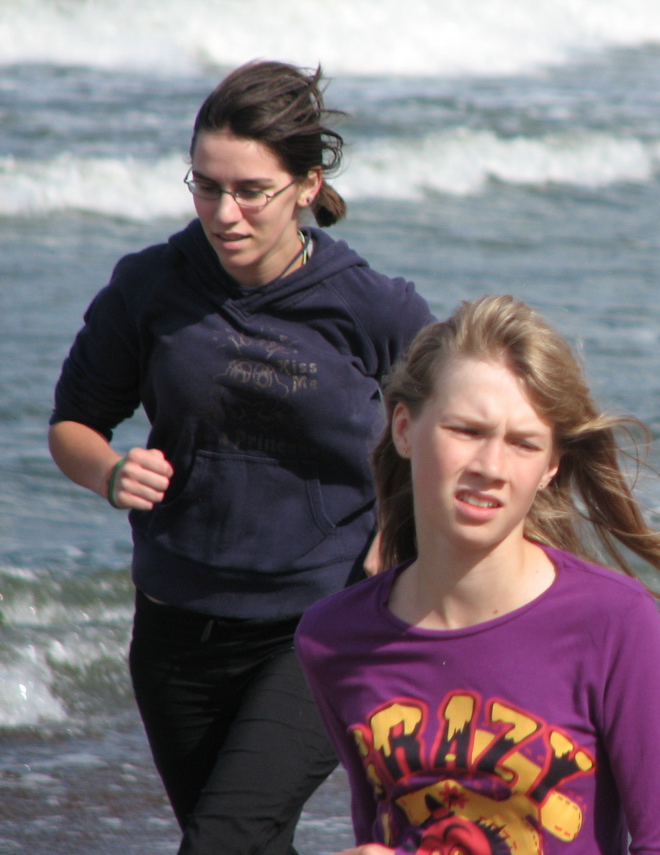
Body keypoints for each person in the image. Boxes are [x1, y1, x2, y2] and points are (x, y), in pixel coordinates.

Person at [47, 60, 435, 855]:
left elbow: (446, 433)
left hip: (321, 622)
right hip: (174, 623)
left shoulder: (375, 307)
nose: (225, 214)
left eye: (251, 190)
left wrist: (401, 532)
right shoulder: (151, 285)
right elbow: (73, 425)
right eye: (207, 186)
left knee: (221, 841)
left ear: (306, 185)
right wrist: (111, 472)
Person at [295, 294, 660, 855]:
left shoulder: (610, 619)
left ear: (550, 466)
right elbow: (381, 827)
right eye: (466, 430)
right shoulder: (333, 638)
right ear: (404, 428)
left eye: (523, 443)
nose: (490, 467)